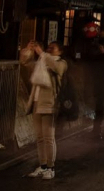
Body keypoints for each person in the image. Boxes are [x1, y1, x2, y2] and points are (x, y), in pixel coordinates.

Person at [20, 40, 68, 179]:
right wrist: (28, 50)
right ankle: (43, 166)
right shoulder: (41, 62)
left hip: (50, 104)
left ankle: (51, 168)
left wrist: (42, 54)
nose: (49, 49)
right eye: (48, 47)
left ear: (60, 51)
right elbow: (25, 63)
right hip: (36, 102)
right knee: (40, 138)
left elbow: (56, 68)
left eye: (53, 48)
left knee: (48, 138)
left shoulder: (61, 63)